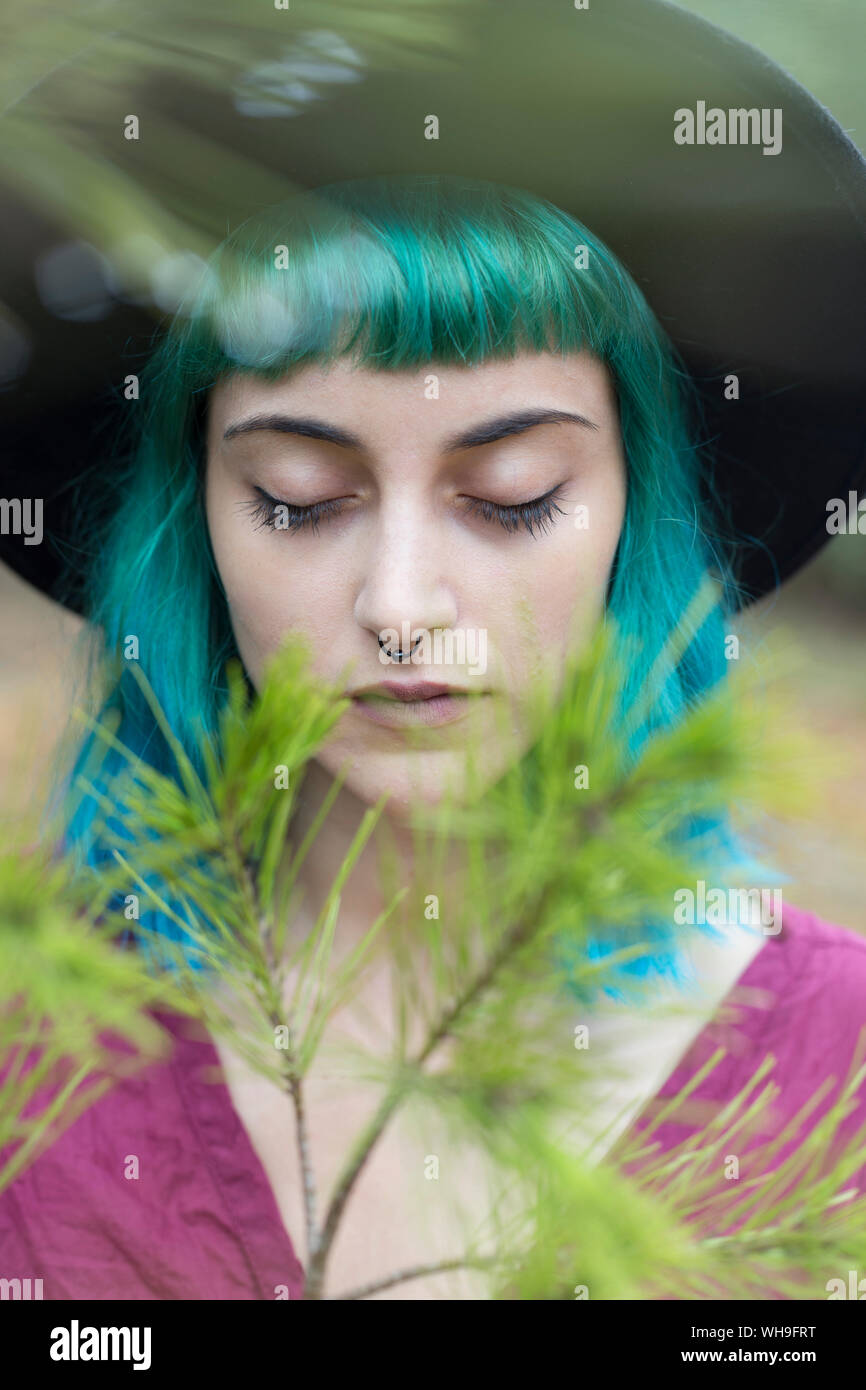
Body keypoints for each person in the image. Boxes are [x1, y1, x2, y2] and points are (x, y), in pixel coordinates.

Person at [1, 172, 865, 1301]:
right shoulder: (32, 1044)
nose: (399, 608)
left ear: (629, 515)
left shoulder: (836, 1064)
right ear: (195, 524)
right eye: (299, 500)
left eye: (511, 495)